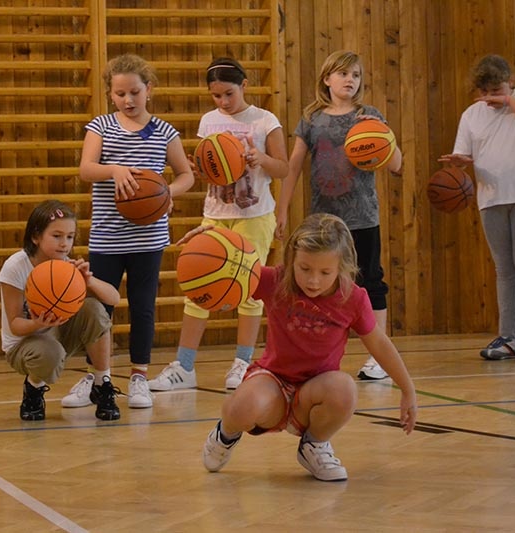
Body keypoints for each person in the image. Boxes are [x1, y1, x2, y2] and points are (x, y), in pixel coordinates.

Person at [201, 213, 417, 481]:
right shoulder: (274, 280)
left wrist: (407, 390)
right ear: (292, 259)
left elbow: (380, 345)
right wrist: (208, 240)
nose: (313, 280)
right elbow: (228, 267)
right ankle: (225, 434)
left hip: (316, 391)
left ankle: (314, 444)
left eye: (325, 273)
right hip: (273, 381)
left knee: (345, 390)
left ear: (342, 267)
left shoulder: (353, 298)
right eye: (304, 269)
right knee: (243, 407)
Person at [147, 56, 288, 392]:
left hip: (254, 216)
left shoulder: (264, 120)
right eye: (216, 95)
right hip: (215, 215)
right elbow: (211, 168)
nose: (223, 101)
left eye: (229, 94)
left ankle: (243, 363)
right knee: (197, 288)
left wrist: (260, 159)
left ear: (244, 86)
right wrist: (203, 170)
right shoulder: (208, 121)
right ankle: (184, 366)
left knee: (250, 292)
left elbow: (283, 168)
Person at [275, 50, 403, 381]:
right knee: (319, 284)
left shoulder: (369, 116)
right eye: (343, 73)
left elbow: (396, 164)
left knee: (371, 281)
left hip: (363, 216)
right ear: (327, 79)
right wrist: (282, 207)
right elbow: (293, 167)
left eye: (356, 75)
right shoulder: (312, 119)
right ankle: (314, 354)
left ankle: (378, 358)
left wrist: (380, 133)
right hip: (324, 221)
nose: (350, 80)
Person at [76, 53, 195, 408]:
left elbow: (186, 175)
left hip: (148, 237)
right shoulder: (100, 127)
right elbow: (86, 169)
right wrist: (114, 170)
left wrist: (166, 192)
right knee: (99, 310)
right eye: (120, 94)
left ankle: (139, 376)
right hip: (107, 236)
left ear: (149, 90)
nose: (128, 100)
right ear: (110, 94)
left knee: (143, 308)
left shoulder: (164, 132)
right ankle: (97, 376)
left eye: (135, 92)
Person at [439, 54, 515, 364]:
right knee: (504, 269)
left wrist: (510, 101)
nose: (490, 98)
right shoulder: (471, 114)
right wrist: (460, 162)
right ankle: (510, 337)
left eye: (497, 90)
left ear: (510, 82)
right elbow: (463, 158)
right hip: (491, 198)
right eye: (484, 92)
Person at [0, 200, 121, 421]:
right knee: (50, 351)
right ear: (36, 236)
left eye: (70, 237)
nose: (65, 244)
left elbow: (114, 298)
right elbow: (15, 325)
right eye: (57, 236)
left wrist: (89, 281)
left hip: (57, 335)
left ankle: (102, 384)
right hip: (22, 345)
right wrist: (37, 323)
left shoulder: (66, 265)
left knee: (95, 308)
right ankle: (33, 390)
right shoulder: (15, 267)